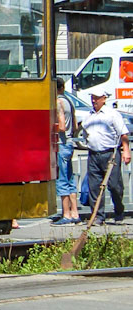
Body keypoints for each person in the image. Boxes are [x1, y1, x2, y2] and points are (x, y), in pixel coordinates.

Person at [82, 90, 131, 224]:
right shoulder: (88, 116)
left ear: (104, 98)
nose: (94, 101)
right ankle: (98, 216)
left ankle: (119, 210)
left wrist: (126, 151)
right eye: (92, 98)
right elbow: (85, 134)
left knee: (114, 185)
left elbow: (123, 134)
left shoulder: (112, 115)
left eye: (96, 98)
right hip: (93, 154)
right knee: (94, 187)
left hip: (110, 153)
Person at [50, 78, 80, 225]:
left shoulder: (58, 102)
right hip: (69, 143)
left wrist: (50, 127)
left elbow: (61, 126)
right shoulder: (70, 101)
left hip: (61, 144)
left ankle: (66, 214)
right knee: (70, 178)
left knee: (61, 179)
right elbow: (74, 126)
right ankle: (75, 212)